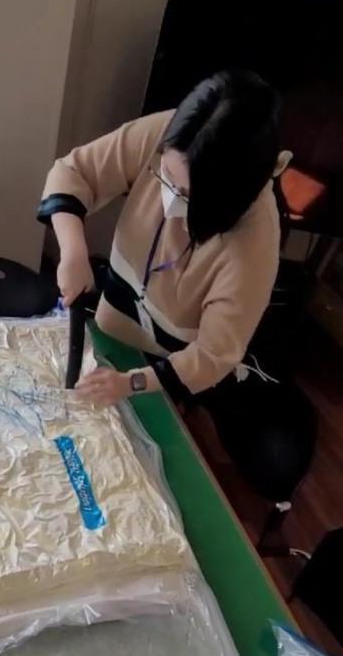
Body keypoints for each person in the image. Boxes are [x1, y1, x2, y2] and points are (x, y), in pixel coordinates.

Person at [37, 70, 292, 405]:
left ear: (226, 198)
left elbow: (213, 356)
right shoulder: (170, 135)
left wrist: (131, 383)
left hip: (172, 370)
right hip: (112, 325)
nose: (169, 195)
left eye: (187, 194)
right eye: (166, 174)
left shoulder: (254, 243)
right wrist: (73, 251)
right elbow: (74, 172)